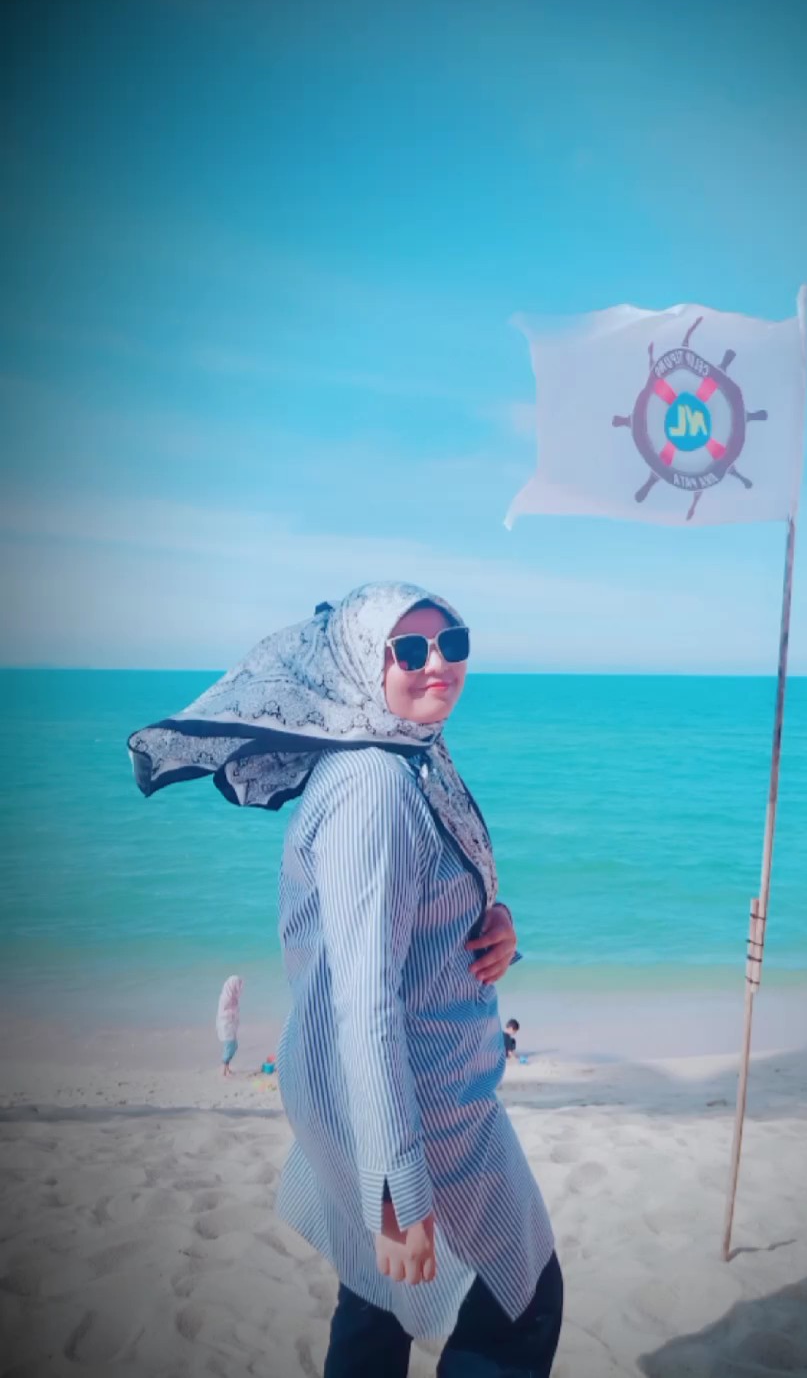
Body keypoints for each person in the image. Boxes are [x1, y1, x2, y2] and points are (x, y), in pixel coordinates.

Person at [128, 582, 561, 1377]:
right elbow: (366, 1004)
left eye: (453, 643)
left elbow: (402, 924)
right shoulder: (375, 787)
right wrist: (395, 1189)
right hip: (422, 1110)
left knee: (375, 1304)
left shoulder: (405, 759)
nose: (438, 664)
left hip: (370, 1097)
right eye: (409, 649)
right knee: (522, 1303)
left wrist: (493, 924)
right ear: (365, 664)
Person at [216, 974, 242, 1077]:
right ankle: (223, 1069)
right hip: (226, 1025)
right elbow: (224, 1012)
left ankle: (227, 1067)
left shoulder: (232, 997)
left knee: (234, 1046)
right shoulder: (226, 998)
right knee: (229, 1045)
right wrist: (233, 1013)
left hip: (231, 1025)